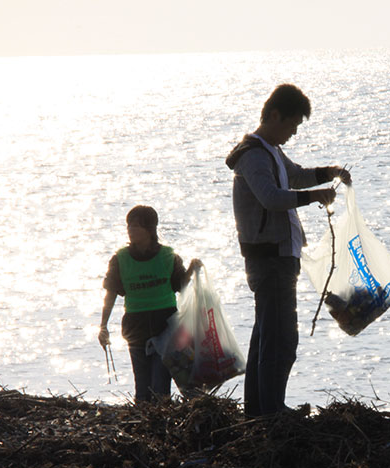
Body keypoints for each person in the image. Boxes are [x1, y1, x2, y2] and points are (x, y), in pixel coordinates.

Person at [225, 84, 351, 417]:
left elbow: (293, 177)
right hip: (270, 259)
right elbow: (271, 197)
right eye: (292, 125)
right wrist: (315, 196)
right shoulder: (254, 155)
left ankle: (258, 408)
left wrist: (330, 173)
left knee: (266, 335)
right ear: (275, 115)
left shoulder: (270, 151)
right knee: (281, 339)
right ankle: (271, 410)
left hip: (278, 257)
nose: (294, 133)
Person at [98, 205, 201, 404]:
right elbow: (110, 294)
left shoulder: (168, 257)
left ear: (150, 229)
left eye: (136, 226)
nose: (130, 230)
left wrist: (191, 269)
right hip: (136, 328)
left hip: (166, 329)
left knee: (160, 387)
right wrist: (103, 326)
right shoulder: (120, 260)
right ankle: (147, 425)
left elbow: (180, 286)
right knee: (143, 390)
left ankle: (161, 427)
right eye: (129, 225)